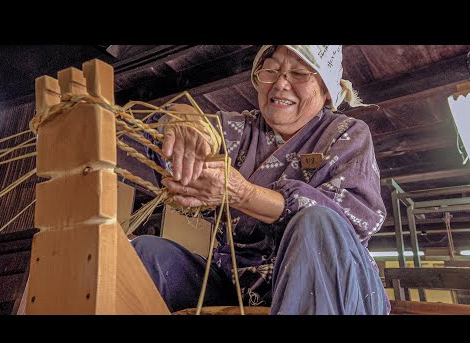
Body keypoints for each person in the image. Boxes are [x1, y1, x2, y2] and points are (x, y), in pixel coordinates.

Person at [132, 45, 390, 315]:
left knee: (316, 222)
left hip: (334, 285)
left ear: (326, 91)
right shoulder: (240, 130)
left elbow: (353, 219)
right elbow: (197, 133)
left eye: (299, 73)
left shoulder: (346, 133)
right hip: (242, 284)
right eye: (271, 70)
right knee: (147, 253)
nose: (280, 84)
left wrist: (242, 194)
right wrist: (184, 121)